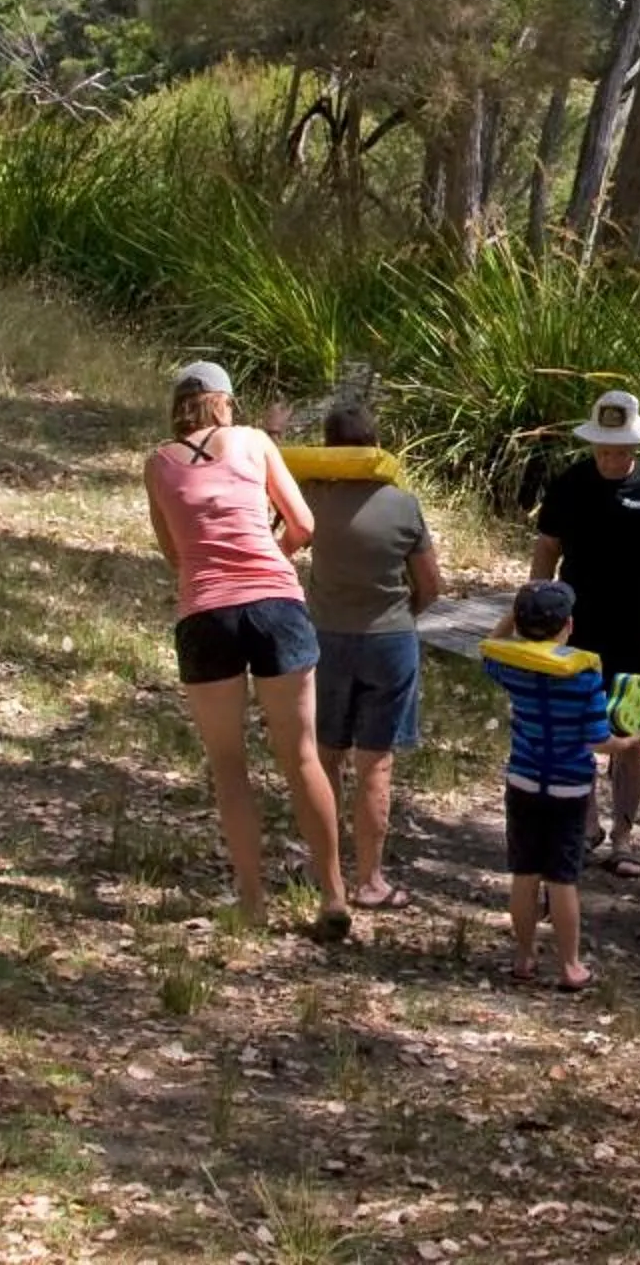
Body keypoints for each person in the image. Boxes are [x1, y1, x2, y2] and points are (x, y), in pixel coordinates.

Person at [141, 360, 351, 940]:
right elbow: (303, 524)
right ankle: (333, 893)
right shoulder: (255, 442)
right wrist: (274, 554)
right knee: (303, 757)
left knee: (229, 766)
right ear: (225, 402)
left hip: (206, 614)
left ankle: (253, 902)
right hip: (275, 606)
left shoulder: (157, 463)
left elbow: (174, 553)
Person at [530, 388, 640, 879]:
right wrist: (536, 619)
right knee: (576, 730)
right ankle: (587, 827)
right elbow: (546, 551)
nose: (612, 458)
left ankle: (624, 835)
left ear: (635, 446)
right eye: (603, 449)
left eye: (620, 450)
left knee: (631, 733)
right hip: (577, 626)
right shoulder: (568, 485)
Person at [294, 400, 443, 912]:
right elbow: (431, 584)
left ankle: (326, 871)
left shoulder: (311, 498)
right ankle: (370, 881)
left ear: (330, 449)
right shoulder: (403, 505)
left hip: (327, 639)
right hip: (390, 642)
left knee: (326, 757)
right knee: (376, 765)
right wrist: (404, 614)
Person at [480, 580, 612, 991]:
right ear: (568, 625)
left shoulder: (511, 667)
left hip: (523, 779)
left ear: (520, 624)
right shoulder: (584, 678)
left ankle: (523, 957)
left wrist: (511, 622)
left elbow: (491, 647)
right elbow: (597, 738)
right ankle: (570, 965)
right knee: (562, 878)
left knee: (525, 872)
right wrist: (627, 744)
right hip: (569, 787)